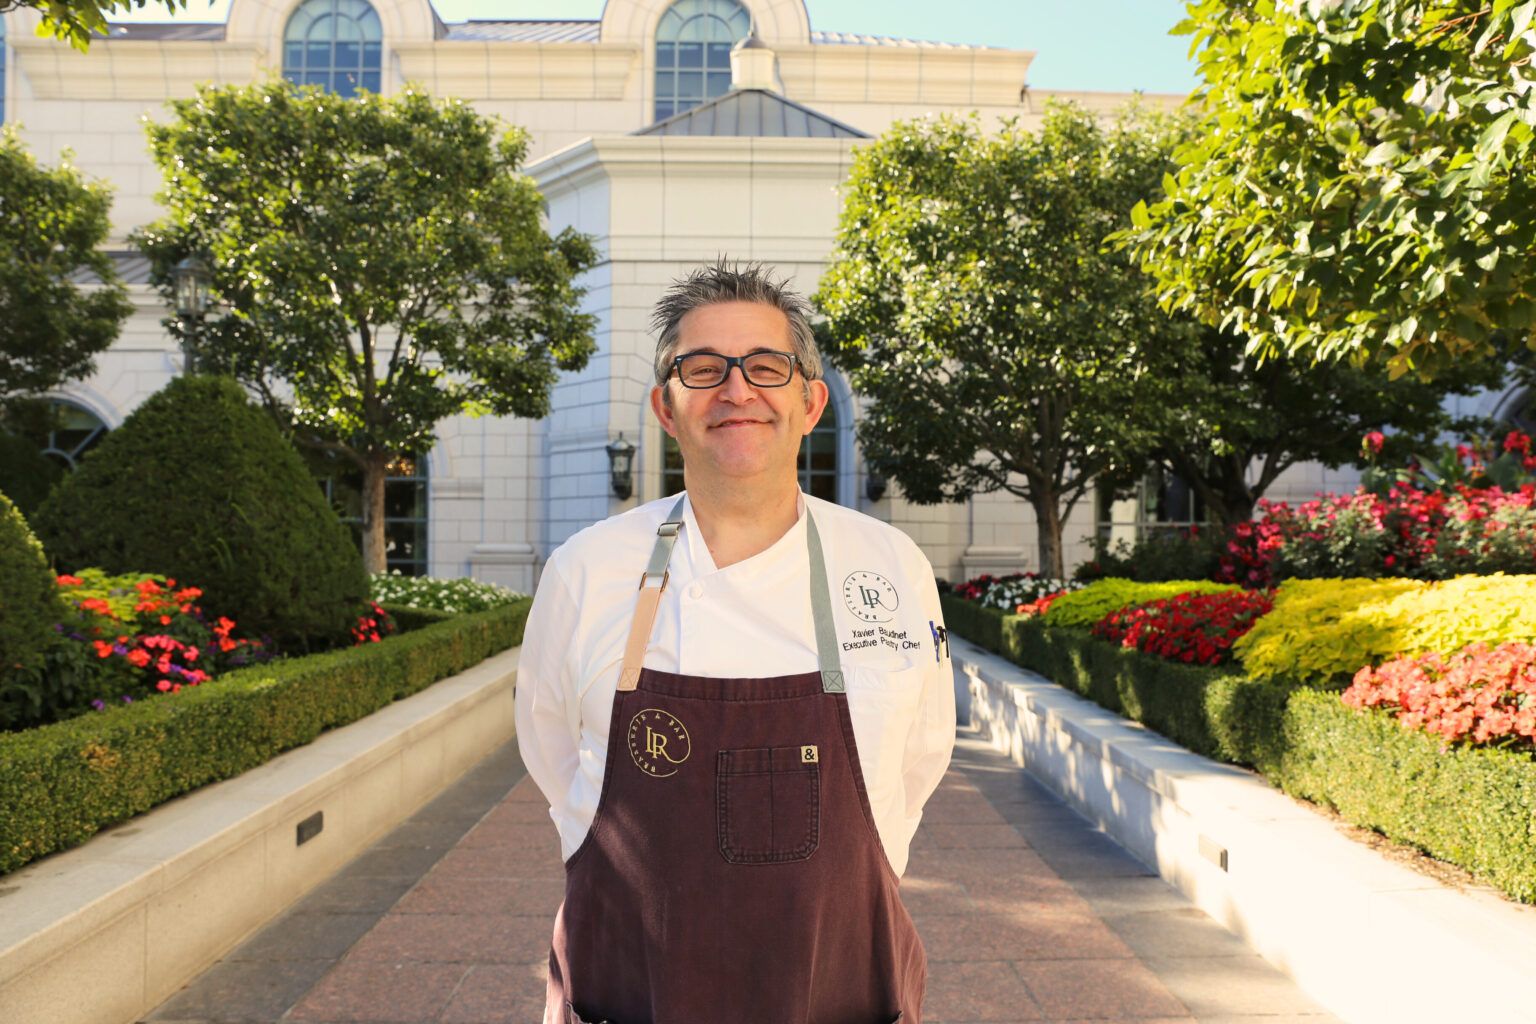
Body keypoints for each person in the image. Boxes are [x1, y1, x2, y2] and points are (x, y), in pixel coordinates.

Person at [516, 260, 955, 1024]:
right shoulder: (585, 570)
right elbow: (551, 753)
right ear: (666, 406)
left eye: (766, 366)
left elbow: (919, 759)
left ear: (811, 401)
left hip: (840, 983)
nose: (737, 389)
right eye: (703, 368)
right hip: (631, 988)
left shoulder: (889, 567)